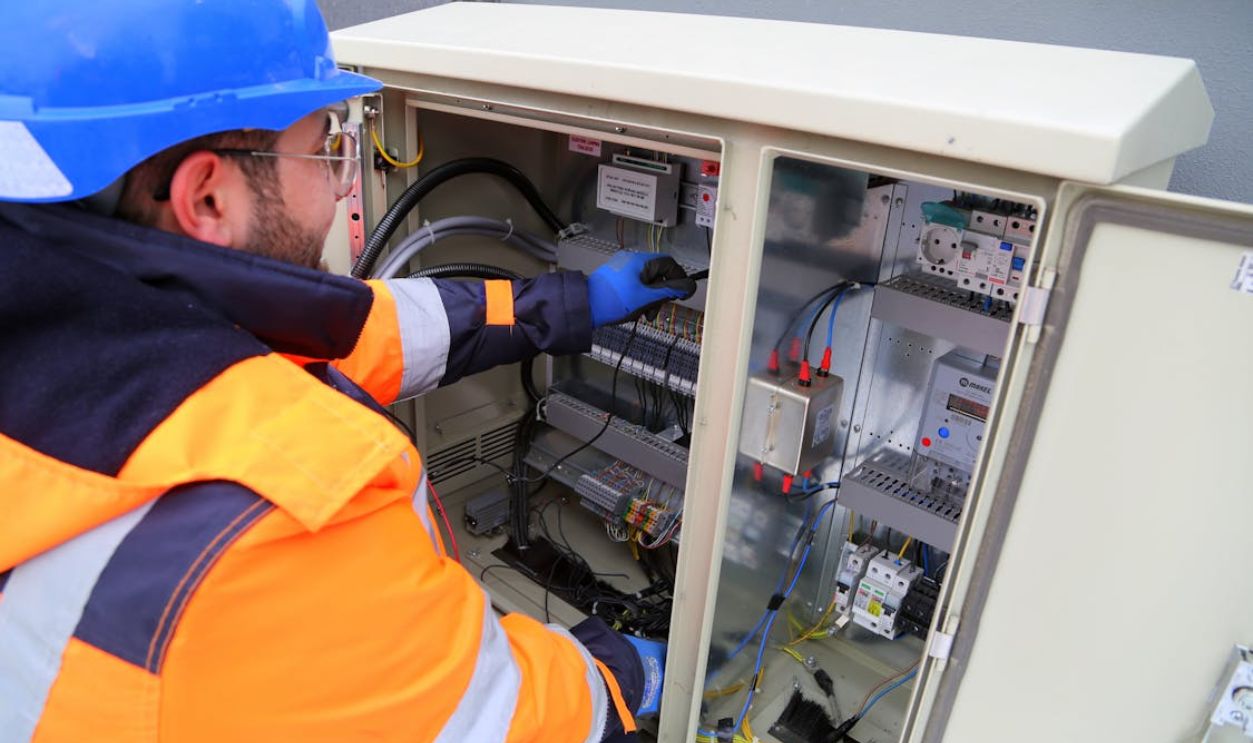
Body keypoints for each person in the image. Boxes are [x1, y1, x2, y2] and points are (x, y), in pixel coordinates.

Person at [0, 2, 690, 741]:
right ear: (207, 196)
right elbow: (509, 718)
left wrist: (577, 300)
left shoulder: (87, 318)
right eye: (324, 149)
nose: (339, 184)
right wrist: (626, 673)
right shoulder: (285, 513)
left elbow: (372, 328)